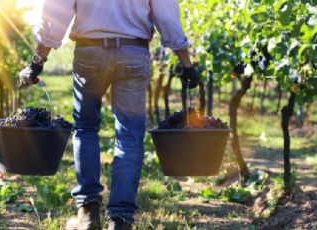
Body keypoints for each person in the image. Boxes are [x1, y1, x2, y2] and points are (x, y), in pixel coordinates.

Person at [18, 1, 200, 229]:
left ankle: (88, 212)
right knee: (129, 135)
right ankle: (120, 219)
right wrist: (186, 63)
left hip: (90, 53)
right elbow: (167, 16)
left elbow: (57, 11)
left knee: (85, 129)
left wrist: (37, 62)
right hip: (133, 52)